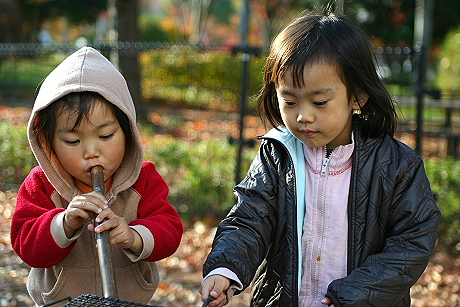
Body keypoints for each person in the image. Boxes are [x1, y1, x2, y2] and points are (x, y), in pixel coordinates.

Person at [199, 13, 440, 307]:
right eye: (289, 101)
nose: (303, 116)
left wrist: (349, 296)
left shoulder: (397, 165)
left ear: (358, 97)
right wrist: (225, 268)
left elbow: (410, 245)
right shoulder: (278, 154)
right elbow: (249, 220)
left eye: (319, 102)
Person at [10, 46, 184, 306]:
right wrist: (64, 223)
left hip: (128, 301)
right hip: (61, 302)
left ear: (128, 132)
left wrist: (134, 236)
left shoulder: (143, 179)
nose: (92, 152)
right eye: (72, 141)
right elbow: (25, 244)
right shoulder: (41, 184)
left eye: (105, 136)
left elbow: (169, 230)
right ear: (48, 143)